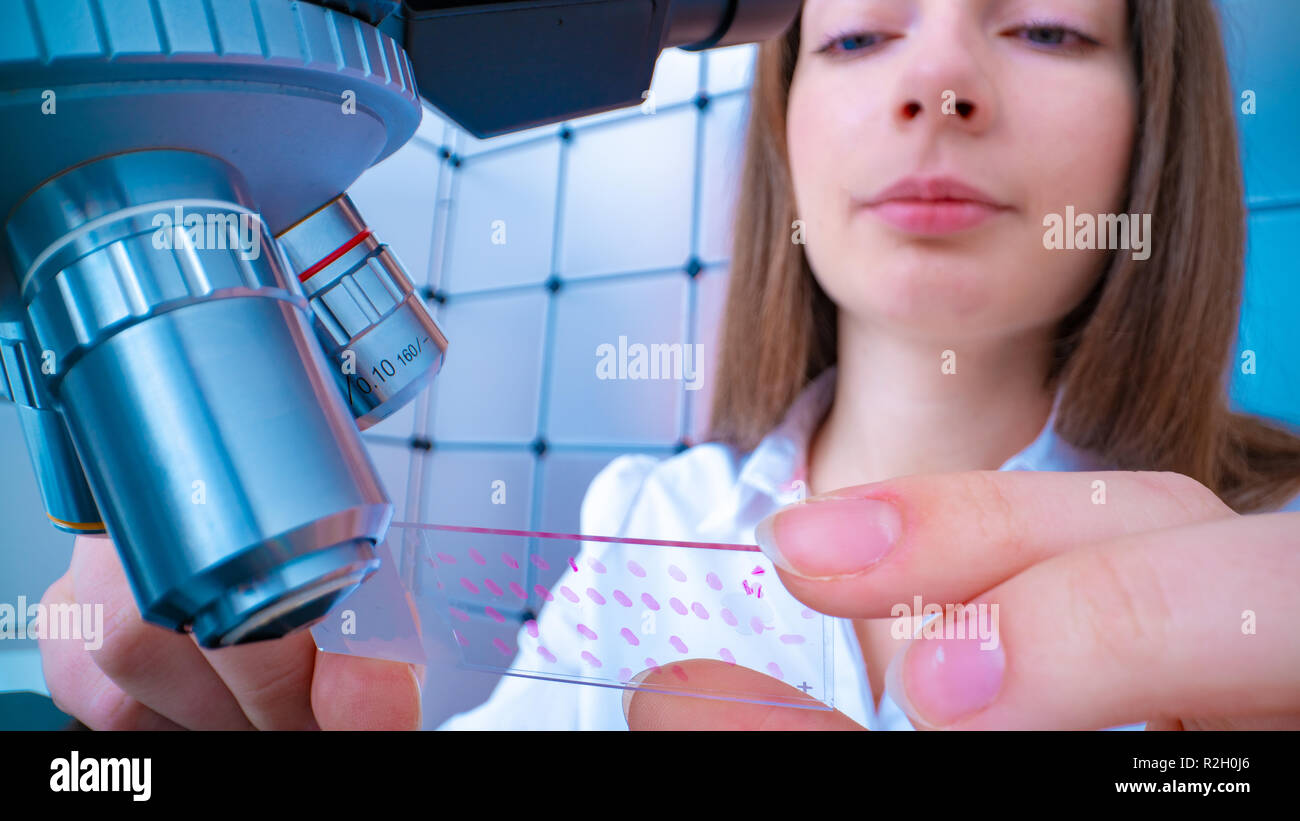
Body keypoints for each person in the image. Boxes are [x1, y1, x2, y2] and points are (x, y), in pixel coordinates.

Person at [40, 0, 1300, 730]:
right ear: (785, 126)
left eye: (1040, 27)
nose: (938, 85)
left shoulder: (1276, 557)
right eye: (858, 39)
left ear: (1157, 124)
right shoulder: (648, 526)